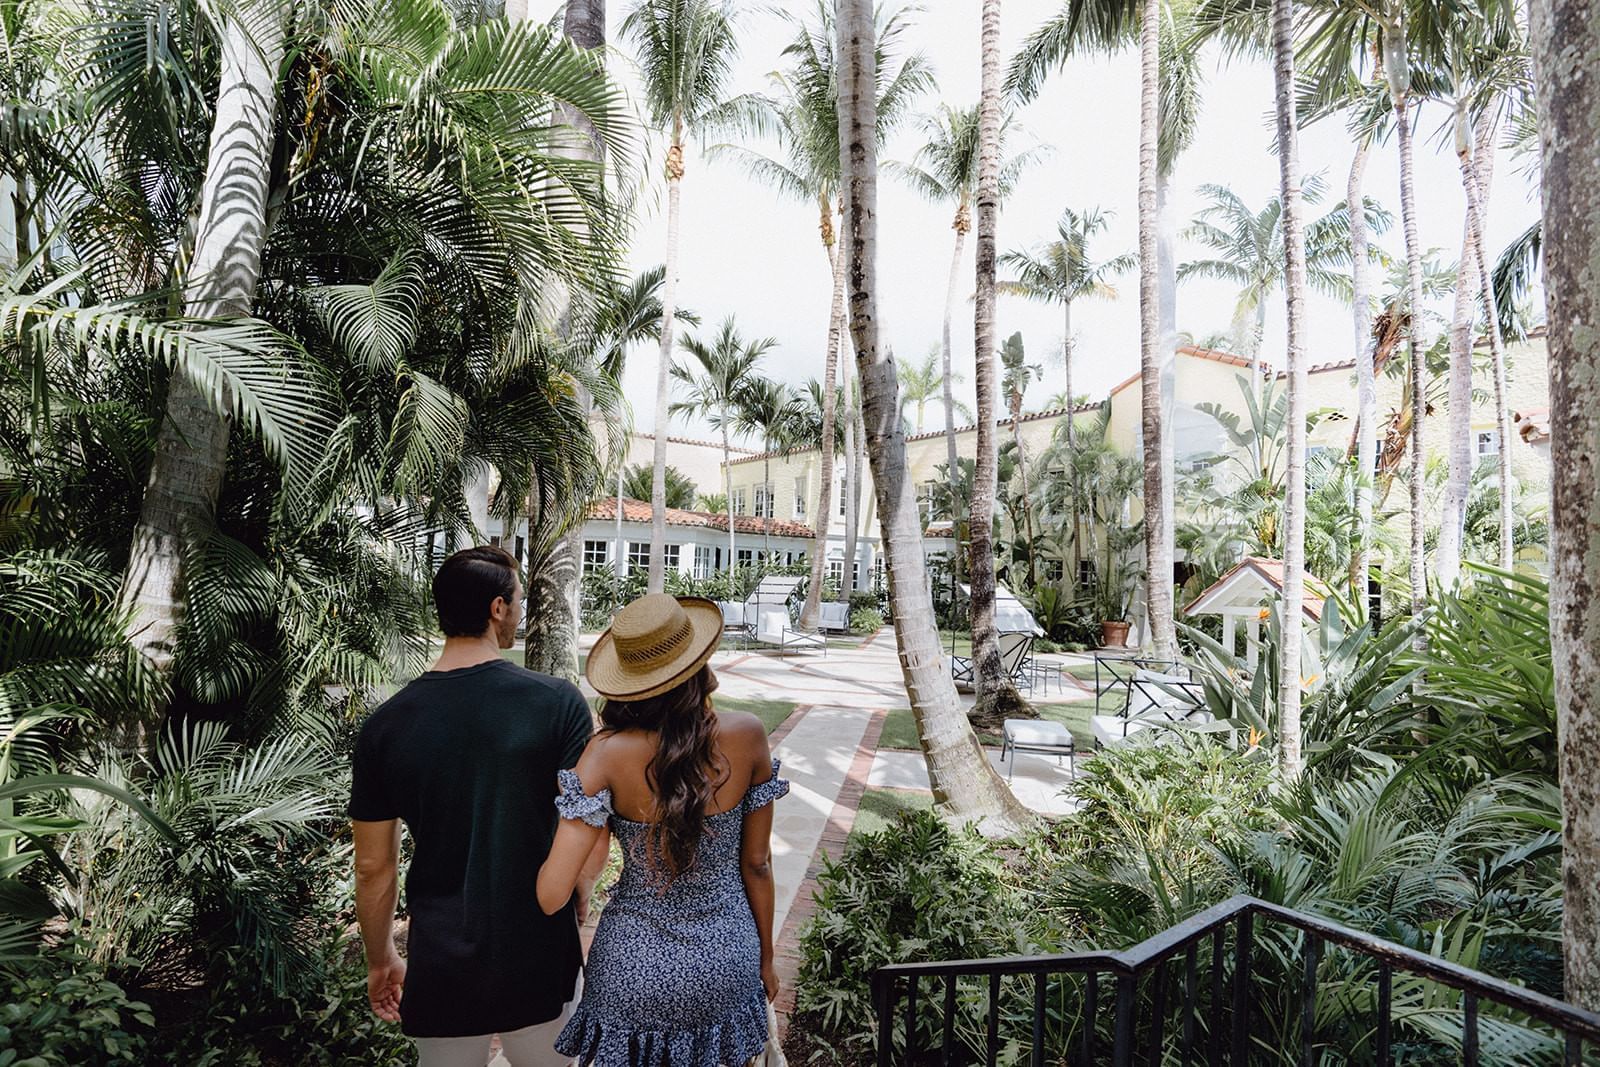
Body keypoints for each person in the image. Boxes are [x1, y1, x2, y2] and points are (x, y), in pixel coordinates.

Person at [349, 545, 603, 1067]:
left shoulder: (386, 725)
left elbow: (374, 867)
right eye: (517, 600)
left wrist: (381, 960)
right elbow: (589, 824)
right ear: (497, 608)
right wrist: (579, 889)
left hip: (442, 958)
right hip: (537, 945)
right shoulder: (557, 702)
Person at [537, 592, 788, 1067]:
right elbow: (757, 864)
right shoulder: (747, 734)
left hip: (629, 974)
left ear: (627, 681)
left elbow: (552, 894)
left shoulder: (604, 753)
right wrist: (767, 958)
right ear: (699, 662)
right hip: (725, 961)